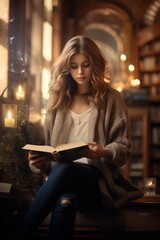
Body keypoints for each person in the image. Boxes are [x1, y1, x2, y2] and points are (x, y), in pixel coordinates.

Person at [10, 35, 143, 240]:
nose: (80, 72)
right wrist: (38, 161)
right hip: (64, 180)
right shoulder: (58, 101)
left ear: (95, 65)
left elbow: (124, 149)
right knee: (65, 201)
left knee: (66, 169)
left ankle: (20, 234)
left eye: (86, 65)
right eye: (73, 66)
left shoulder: (112, 98)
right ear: (66, 68)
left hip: (95, 182)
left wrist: (103, 151)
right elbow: (50, 153)